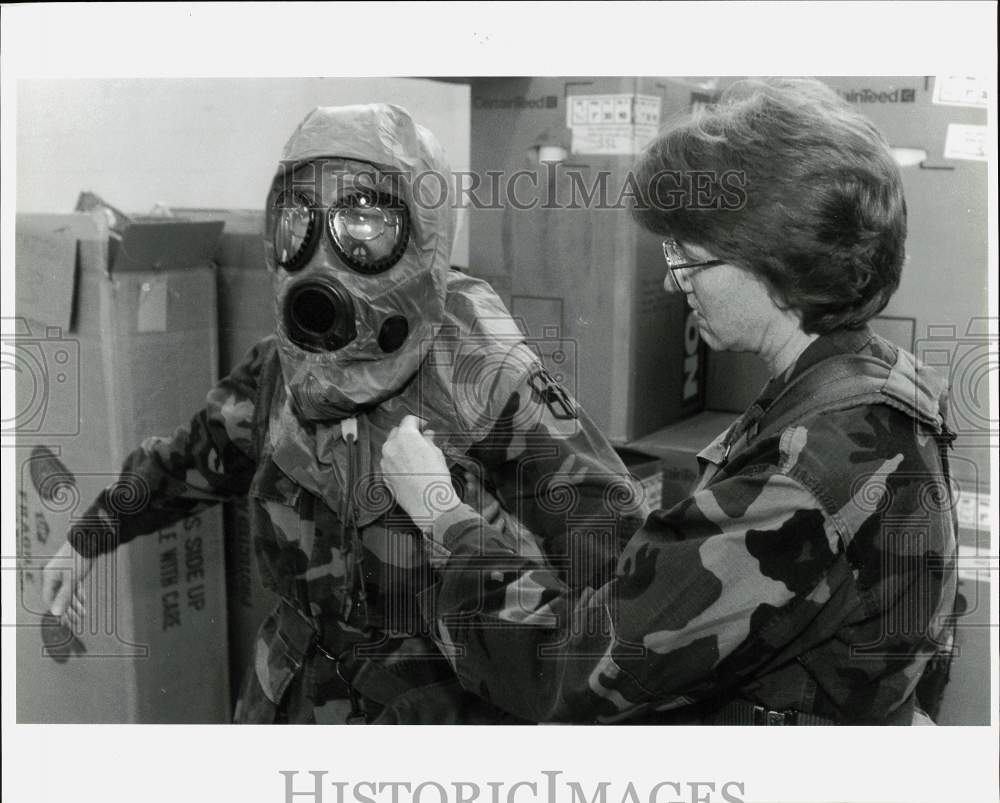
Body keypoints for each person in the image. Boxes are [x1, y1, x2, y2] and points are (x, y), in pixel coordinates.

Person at [41, 103, 645, 724]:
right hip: (292, 692)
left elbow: (628, 570)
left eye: (363, 221)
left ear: (424, 231)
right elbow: (195, 457)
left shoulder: (483, 378)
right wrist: (92, 535)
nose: (322, 255)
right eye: (299, 221)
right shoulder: (283, 369)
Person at [380, 78, 959, 725]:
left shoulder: (815, 464)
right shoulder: (868, 383)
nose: (669, 278)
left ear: (772, 261)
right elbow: (683, 574)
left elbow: (573, 672)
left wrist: (440, 514)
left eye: (689, 256)